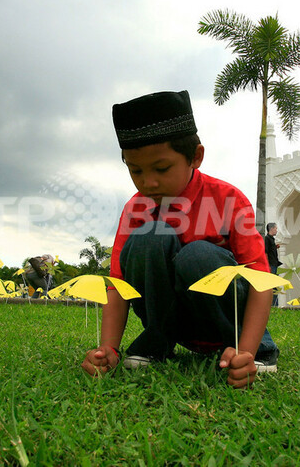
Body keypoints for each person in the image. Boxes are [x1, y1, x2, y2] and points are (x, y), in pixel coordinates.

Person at [80, 90, 278, 389]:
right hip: (179, 325)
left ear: (195, 157)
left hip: (225, 323)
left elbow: (260, 281)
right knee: (147, 237)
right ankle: (157, 343)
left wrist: (246, 351)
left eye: (162, 169)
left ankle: (257, 350)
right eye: (136, 171)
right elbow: (118, 286)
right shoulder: (136, 208)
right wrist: (108, 349)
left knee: (197, 255)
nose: (148, 182)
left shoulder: (228, 199)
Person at [264, 222, 281, 306]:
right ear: (271, 229)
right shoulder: (267, 239)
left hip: (274, 264)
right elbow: (265, 252)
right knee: (272, 285)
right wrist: (267, 265)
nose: (276, 230)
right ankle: (273, 305)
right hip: (271, 265)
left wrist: (275, 247)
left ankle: (275, 304)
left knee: (275, 285)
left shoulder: (271, 239)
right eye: (275, 228)